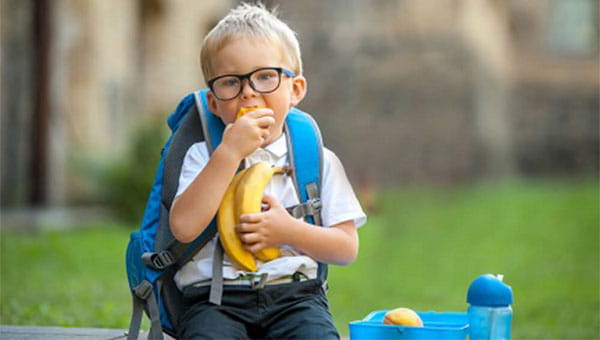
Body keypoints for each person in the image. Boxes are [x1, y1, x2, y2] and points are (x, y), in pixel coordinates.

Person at [169, 3, 366, 339]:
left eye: (265, 76)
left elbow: (346, 248)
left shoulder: (316, 159)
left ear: (295, 90)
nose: (248, 91)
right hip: (215, 299)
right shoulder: (204, 155)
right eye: (231, 82)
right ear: (214, 102)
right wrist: (229, 152)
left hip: (296, 298)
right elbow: (184, 228)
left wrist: (289, 231)